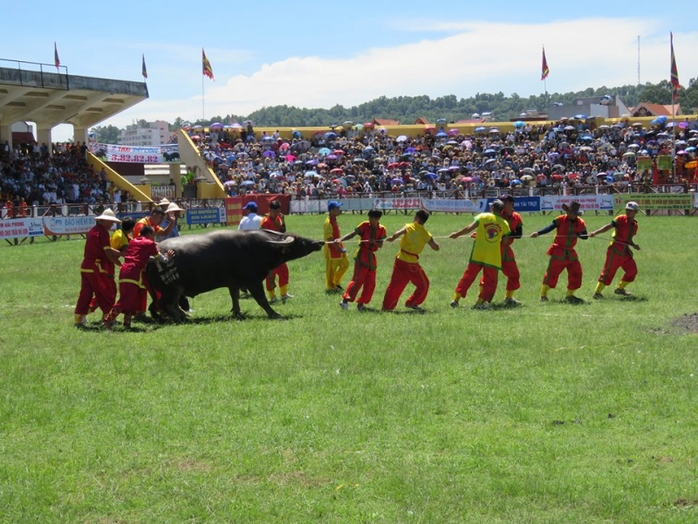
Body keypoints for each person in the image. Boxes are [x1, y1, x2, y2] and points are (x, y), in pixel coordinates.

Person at [102, 225, 174, 330]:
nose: (154, 237)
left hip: (125, 270)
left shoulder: (133, 241)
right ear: (149, 234)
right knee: (126, 300)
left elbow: (141, 257)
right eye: (153, 234)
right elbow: (160, 258)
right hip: (133, 272)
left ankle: (127, 324)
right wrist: (168, 257)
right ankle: (107, 321)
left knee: (131, 299)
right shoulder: (149, 243)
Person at [449, 199, 510, 309]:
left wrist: (457, 234)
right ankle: (479, 303)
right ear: (502, 211)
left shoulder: (483, 216)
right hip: (492, 256)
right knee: (490, 281)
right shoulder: (504, 223)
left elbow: (469, 228)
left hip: (478, 253)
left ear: (492, 208)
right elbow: (505, 242)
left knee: (468, 276)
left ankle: (456, 299)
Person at [530, 201, 588, 304]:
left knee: (577, 272)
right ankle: (543, 295)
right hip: (558, 250)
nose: (568, 213)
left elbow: (585, 236)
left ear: (575, 214)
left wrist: (577, 234)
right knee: (552, 273)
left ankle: (569, 295)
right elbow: (550, 227)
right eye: (568, 211)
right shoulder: (561, 219)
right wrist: (538, 233)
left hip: (570, 252)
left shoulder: (581, 223)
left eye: (571, 212)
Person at [381, 209, 440, 311]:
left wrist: (392, 238)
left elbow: (396, 234)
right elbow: (436, 248)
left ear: (416, 218)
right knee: (424, 284)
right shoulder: (426, 234)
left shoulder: (408, 226)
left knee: (395, 284)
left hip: (400, 259)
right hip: (411, 263)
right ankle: (412, 302)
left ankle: (387, 306)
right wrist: (430, 240)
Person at [73, 209, 123, 328]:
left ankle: (78, 319)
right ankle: (107, 318)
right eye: (110, 222)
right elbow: (107, 253)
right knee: (105, 292)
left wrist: (120, 254)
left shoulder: (93, 230)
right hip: (96, 268)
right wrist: (120, 264)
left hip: (86, 267)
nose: (112, 224)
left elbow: (107, 249)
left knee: (85, 294)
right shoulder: (103, 232)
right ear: (104, 220)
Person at [589, 201, 641, 298]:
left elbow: (628, 239)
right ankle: (597, 292)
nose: (628, 212)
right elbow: (608, 226)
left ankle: (620, 288)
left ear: (635, 212)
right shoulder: (620, 219)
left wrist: (634, 245)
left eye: (631, 210)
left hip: (625, 251)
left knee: (632, 271)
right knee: (609, 271)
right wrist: (595, 233)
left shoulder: (635, 225)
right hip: (615, 250)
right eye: (627, 210)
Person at [339, 209, 387, 311]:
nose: (369, 219)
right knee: (357, 280)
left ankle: (361, 304)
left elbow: (381, 245)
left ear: (377, 219)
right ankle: (345, 300)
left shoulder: (382, 229)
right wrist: (340, 240)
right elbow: (352, 234)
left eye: (371, 218)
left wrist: (374, 242)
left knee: (370, 282)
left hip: (371, 257)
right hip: (362, 255)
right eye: (369, 217)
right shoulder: (364, 225)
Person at [483, 194, 523, 306]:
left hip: (506, 249)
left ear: (510, 204)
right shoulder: (497, 215)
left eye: (504, 202)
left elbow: (519, 234)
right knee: (489, 276)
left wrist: (507, 233)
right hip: (494, 248)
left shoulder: (517, 217)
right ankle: (483, 300)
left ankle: (509, 298)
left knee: (514, 274)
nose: (501, 204)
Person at [260, 200, 292, 303]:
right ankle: (272, 297)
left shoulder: (279, 218)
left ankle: (284, 294)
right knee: (271, 275)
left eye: (278, 211)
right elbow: (263, 237)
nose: (276, 213)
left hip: (279, 251)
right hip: (270, 252)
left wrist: (284, 221)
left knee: (284, 272)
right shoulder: (265, 222)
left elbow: (282, 232)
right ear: (269, 210)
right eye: (274, 211)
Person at [323, 200, 349, 293]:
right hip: (332, 249)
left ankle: (336, 282)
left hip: (338, 246)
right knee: (331, 270)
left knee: (345, 264)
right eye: (337, 208)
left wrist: (340, 247)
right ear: (331, 210)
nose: (339, 210)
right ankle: (331, 287)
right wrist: (338, 248)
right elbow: (329, 238)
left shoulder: (334, 219)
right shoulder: (328, 222)